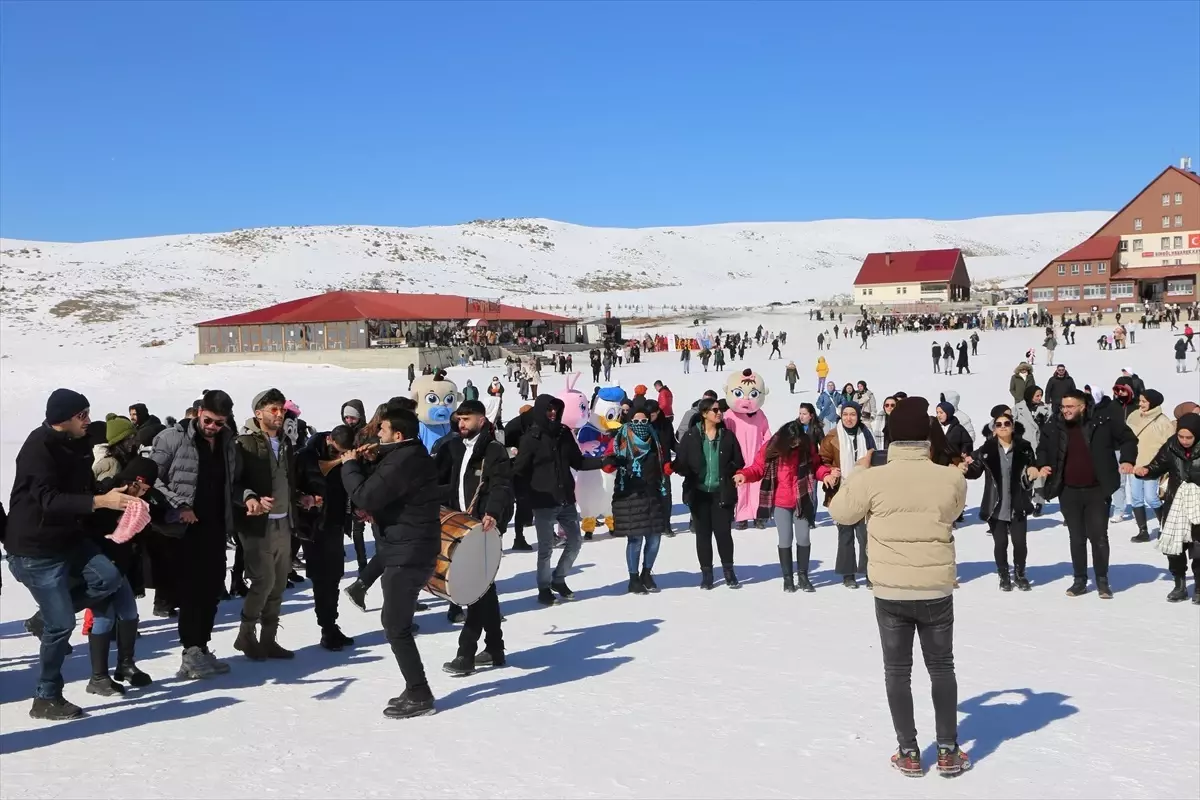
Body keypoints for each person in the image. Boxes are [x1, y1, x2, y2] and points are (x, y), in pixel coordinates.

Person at [827, 396, 970, 777]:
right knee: (942, 667)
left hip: (891, 589)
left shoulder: (873, 478)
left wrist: (851, 477)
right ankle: (948, 749)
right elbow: (953, 512)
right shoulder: (950, 477)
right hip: (935, 587)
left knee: (897, 671)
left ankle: (908, 751)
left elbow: (841, 513)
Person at [6, 390, 137, 720]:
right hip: (34, 550)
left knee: (108, 577)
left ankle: (42, 619)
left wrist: (107, 494)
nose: (88, 420)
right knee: (62, 623)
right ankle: (46, 697)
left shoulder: (79, 443)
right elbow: (49, 500)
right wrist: (100, 503)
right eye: (82, 415)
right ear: (63, 419)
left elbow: (82, 488)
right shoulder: (38, 449)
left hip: (68, 540)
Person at [340, 407, 442, 719]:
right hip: (409, 548)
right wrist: (371, 462)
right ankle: (415, 687)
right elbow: (390, 496)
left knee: (395, 627)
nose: (377, 436)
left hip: (406, 554)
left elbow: (365, 495)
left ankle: (419, 692)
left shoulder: (402, 459)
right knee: (396, 623)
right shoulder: (409, 456)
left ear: (397, 435)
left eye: (382, 431)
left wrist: (350, 465)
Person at [149, 389, 242, 680]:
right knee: (191, 592)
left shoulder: (227, 443)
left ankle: (201, 648)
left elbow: (232, 482)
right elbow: (149, 478)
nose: (213, 427)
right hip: (183, 529)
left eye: (219, 423)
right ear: (198, 412)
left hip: (214, 527)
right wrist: (180, 505)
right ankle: (189, 653)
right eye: (209, 420)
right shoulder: (172, 438)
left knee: (212, 589)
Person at [1033, 390, 1137, 598]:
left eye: (1070, 407)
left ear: (1083, 407)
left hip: (1097, 490)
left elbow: (1128, 439)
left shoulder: (1103, 422)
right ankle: (1079, 580)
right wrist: (1042, 464)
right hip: (1068, 490)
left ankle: (1102, 581)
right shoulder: (1054, 426)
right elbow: (1042, 448)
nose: (1066, 410)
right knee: (1077, 537)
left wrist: (1127, 459)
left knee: (1098, 537)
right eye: (1063, 407)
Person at [434, 400, 513, 674]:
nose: (461, 424)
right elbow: (443, 481)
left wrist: (492, 512)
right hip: (459, 528)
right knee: (485, 590)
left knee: (476, 591)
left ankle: (465, 655)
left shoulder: (494, 450)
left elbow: (502, 485)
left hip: (483, 529)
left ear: (482, 420)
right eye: (459, 420)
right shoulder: (454, 447)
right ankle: (495, 648)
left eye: (467, 419)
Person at [233, 389, 311, 662]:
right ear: (258, 413)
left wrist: (302, 498)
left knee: (278, 585)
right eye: (273, 410)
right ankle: (245, 636)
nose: (279, 415)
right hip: (256, 525)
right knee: (262, 582)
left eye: (281, 409)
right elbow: (233, 483)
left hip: (283, 523)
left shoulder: (287, 444)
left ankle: (268, 641)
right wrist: (249, 497)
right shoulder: (243, 444)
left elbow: (288, 482)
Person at [511, 394, 604, 605]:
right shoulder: (531, 439)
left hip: (566, 499)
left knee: (575, 542)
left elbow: (578, 461)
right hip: (543, 501)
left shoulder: (564, 434)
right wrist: (523, 497)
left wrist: (603, 462)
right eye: (549, 409)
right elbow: (519, 471)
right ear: (540, 411)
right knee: (546, 549)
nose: (553, 413)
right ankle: (543, 588)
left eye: (555, 409)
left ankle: (558, 579)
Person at [735, 420, 820, 592]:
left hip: (801, 500)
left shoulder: (806, 448)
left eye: (798, 441)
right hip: (781, 502)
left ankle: (803, 576)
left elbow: (817, 466)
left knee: (803, 537)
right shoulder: (771, 448)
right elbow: (758, 468)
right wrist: (744, 475)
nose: (795, 444)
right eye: (792, 441)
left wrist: (825, 474)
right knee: (785, 538)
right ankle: (788, 579)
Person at [295, 425, 357, 651]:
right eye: (336, 451)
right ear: (329, 439)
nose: (339, 456)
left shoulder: (347, 456)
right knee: (322, 578)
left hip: (336, 523)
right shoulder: (306, 457)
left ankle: (331, 625)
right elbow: (291, 488)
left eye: (343, 453)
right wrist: (305, 498)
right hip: (313, 526)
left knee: (334, 576)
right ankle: (327, 628)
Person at [673, 398, 744, 589]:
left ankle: (729, 572)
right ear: (704, 414)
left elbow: (739, 460)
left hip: (721, 493)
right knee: (703, 535)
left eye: (720, 410)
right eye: (714, 410)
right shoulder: (691, 436)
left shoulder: (728, 436)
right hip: (699, 493)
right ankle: (707, 574)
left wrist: (730, 471)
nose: (719, 413)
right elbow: (682, 462)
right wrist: (678, 467)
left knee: (723, 534)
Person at [603, 402, 672, 594]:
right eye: (636, 420)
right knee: (635, 540)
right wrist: (610, 463)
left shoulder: (655, 438)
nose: (641, 423)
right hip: (630, 496)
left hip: (653, 493)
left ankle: (647, 573)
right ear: (629, 421)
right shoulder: (620, 438)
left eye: (644, 419)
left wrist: (671, 468)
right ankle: (633, 578)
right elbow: (608, 460)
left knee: (655, 538)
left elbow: (664, 461)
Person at [964, 410, 1035, 591]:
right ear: (994, 429)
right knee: (1001, 543)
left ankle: (1020, 574)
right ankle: (1004, 575)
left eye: (1006, 424)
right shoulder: (986, 449)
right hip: (996, 504)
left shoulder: (1024, 447)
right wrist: (965, 468)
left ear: (1012, 427)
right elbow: (975, 470)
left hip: (1018, 502)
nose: (1003, 427)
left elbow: (1030, 472)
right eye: (999, 424)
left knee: (1020, 543)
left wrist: (1033, 474)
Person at [1135, 413, 1200, 603]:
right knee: (1174, 549)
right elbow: (1158, 465)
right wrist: (1146, 471)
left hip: (1198, 505)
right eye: (1181, 436)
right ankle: (1179, 585)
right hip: (1175, 504)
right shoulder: (1171, 445)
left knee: (1199, 548)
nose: (1185, 441)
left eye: (1189, 437)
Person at [817, 401, 876, 589]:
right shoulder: (832, 436)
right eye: (845, 415)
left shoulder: (866, 434)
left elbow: (876, 459)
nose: (849, 418)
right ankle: (848, 574)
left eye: (852, 414)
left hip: (864, 490)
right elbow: (822, 460)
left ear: (858, 416)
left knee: (866, 535)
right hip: (841, 491)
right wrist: (829, 471)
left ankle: (870, 572)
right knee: (845, 535)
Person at [1126, 389, 1175, 543]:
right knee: (1136, 498)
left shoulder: (1163, 422)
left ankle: (1164, 527)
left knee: (1151, 498)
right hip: (1134, 464)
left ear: (1152, 402)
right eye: (1140, 401)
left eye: (1144, 401)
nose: (1140, 404)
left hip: (1151, 466)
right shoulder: (1133, 416)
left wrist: (1162, 466)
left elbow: (1169, 447)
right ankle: (1143, 531)